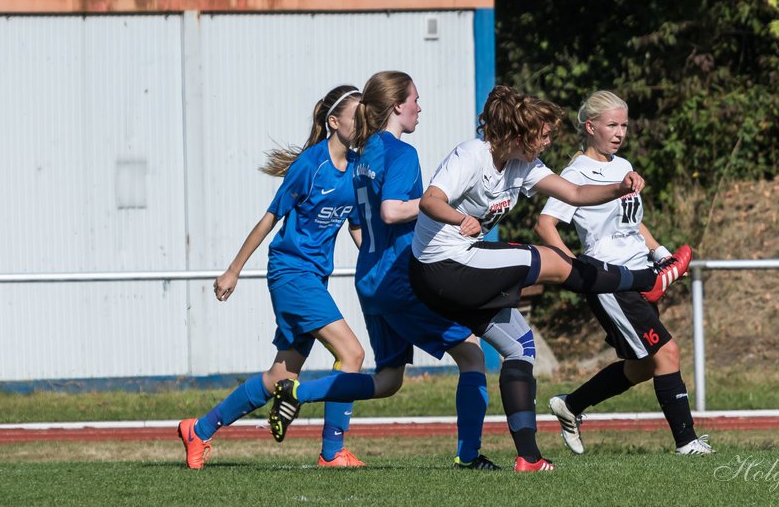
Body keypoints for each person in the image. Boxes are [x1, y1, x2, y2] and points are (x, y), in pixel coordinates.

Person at [407, 85, 692, 472]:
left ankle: (529, 458)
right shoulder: (472, 154)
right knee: (552, 261)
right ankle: (644, 279)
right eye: (542, 135)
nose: (548, 141)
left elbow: (573, 192)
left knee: (521, 347)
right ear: (518, 134)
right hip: (441, 266)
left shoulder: (523, 164)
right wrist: (461, 219)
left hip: (460, 272)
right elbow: (430, 200)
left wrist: (618, 187)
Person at [265, 71, 500, 469]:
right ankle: (469, 456)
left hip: (370, 278)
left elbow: (363, 220)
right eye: (414, 100)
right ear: (396, 106)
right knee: (473, 356)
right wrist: (444, 207)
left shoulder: (363, 155)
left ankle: (295, 393)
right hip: (399, 279)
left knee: (388, 381)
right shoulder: (401, 153)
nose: (419, 108)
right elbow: (392, 211)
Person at [177, 84, 368, 469]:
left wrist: (382, 263)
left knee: (277, 376)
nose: (365, 125)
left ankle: (198, 429)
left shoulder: (359, 169)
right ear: (334, 122)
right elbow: (270, 217)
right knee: (352, 354)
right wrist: (233, 269)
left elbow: (357, 229)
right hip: (291, 273)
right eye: (357, 117)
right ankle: (332, 453)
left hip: (314, 278)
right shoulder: (310, 166)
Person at [535, 90, 712, 457]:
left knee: (644, 365)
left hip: (641, 274)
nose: (620, 132)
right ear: (590, 126)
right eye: (612, 124)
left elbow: (633, 224)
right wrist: (575, 270)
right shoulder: (576, 173)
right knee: (668, 352)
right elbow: (545, 224)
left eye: (624, 125)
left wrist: (661, 254)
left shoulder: (623, 164)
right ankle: (687, 442)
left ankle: (571, 405)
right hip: (610, 281)